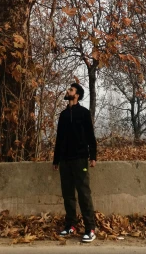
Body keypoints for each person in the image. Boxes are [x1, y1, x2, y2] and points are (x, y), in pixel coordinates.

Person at [53, 82, 97, 242]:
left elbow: (91, 136)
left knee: (84, 194)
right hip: (65, 161)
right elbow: (59, 139)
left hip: (80, 159)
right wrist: (56, 159)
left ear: (77, 95)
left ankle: (90, 229)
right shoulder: (63, 115)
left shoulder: (84, 113)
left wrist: (93, 156)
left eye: (70, 89)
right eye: (68, 89)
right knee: (68, 195)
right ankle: (70, 226)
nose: (67, 91)